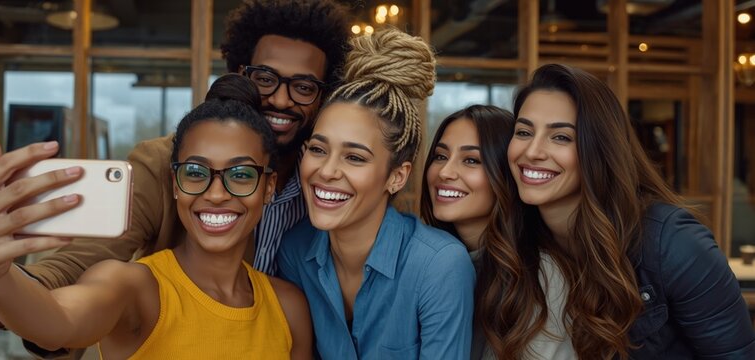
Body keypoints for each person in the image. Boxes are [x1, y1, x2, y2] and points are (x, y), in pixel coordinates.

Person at [0, 0, 352, 293]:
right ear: (239, 76)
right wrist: (7, 281)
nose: (282, 101)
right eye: (266, 79)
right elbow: (83, 261)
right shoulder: (165, 164)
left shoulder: (332, 180)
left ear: (322, 97)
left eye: (303, 87)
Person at [0, 74, 313, 359]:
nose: (216, 193)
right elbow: (59, 322)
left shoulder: (289, 306)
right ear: (175, 183)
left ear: (268, 187)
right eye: (195, 172)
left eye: (240, 175)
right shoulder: (136, 289)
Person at [477, 63, 755, 359]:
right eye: (523, 132)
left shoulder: (672, 243)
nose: (532, 151)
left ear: (599, 149)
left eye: (561, 137)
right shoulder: (517, 239)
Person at [277, 28, 475, 359]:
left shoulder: (439, 267)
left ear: (397, 177)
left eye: (354, 157)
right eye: (318, 149)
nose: (326, 171)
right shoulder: (295, 251)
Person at [418, 105, 515, 360]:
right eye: (440, 156)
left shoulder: (534, 278)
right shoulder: (428, 264)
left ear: (505, 175)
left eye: (471, 160)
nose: (445, 172)